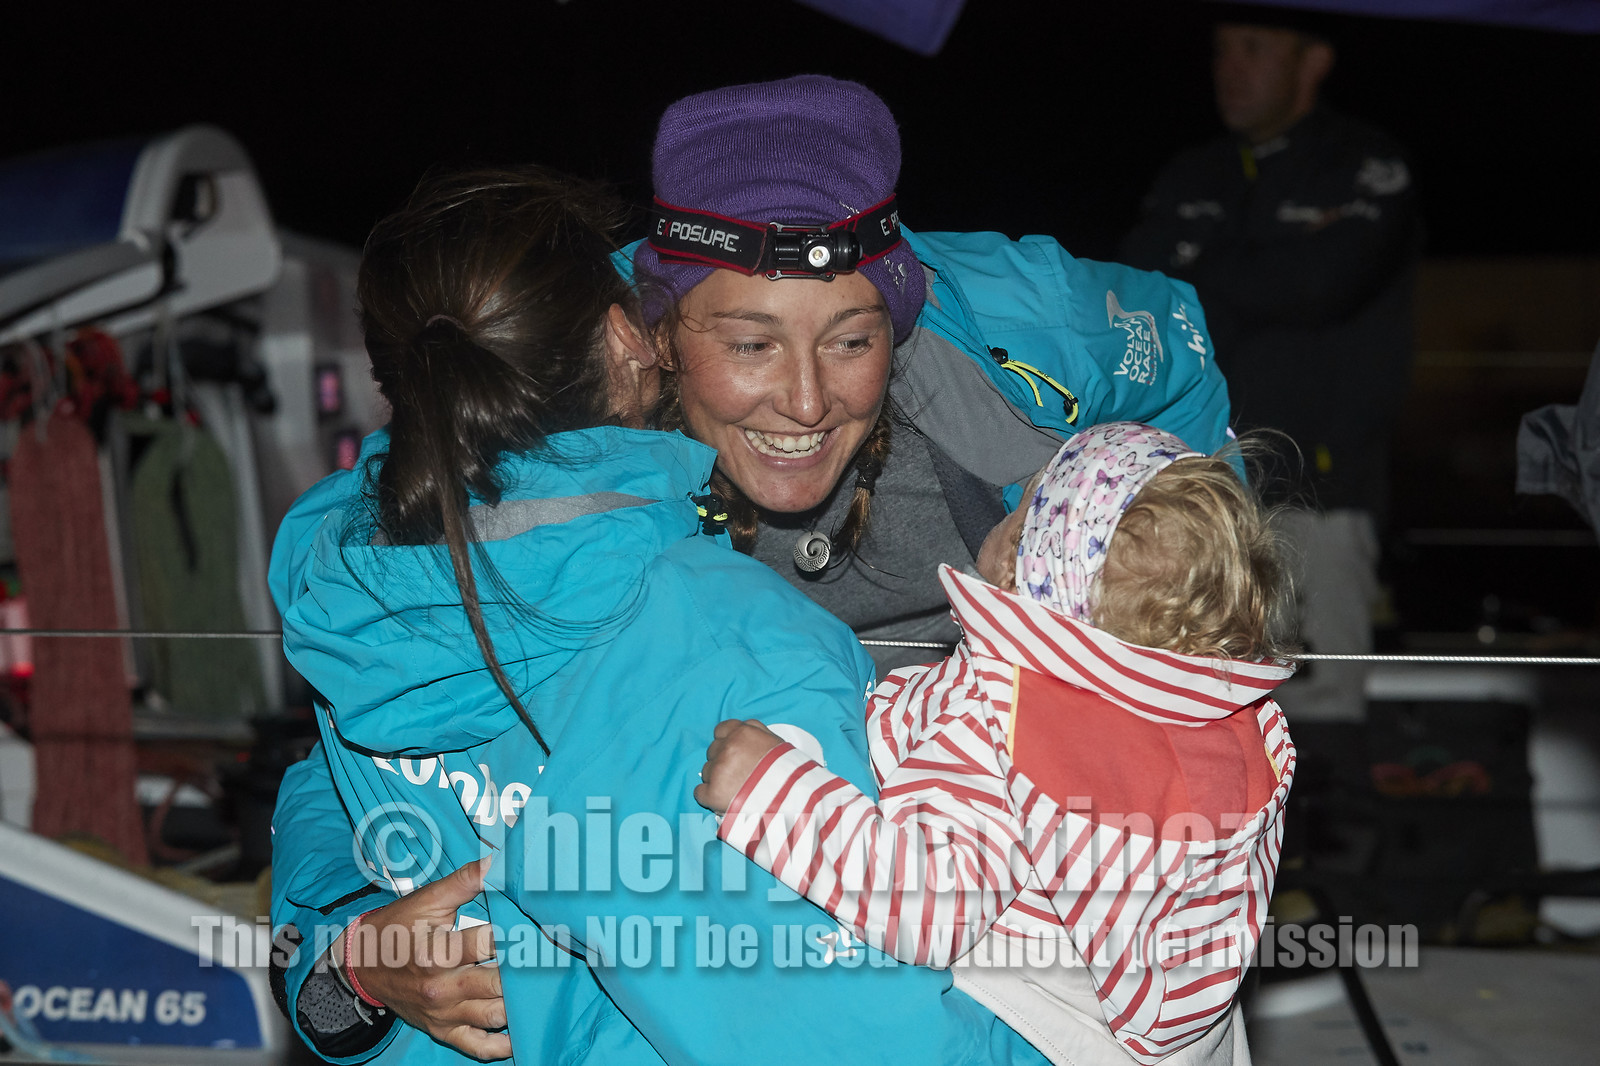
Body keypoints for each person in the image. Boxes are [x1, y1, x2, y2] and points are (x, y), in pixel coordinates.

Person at [272, 75, 1238, 1059]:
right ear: (644, 338)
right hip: (820, 845)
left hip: (1002, 819)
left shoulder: (1021, 334)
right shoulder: (545, 368)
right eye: (748, 345)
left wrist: (1157, 638)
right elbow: (384, 664)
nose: (808, 400)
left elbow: (1187, 373)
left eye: (852, 340)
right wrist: (337, 959)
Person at [696, 422, 1298, 1065]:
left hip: (1045, 1032)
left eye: (1025, 509)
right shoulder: (1230, 726)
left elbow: (928, 905)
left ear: (1020, 563)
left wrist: (773, 793)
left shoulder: (1002, 722)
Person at [1119, 13, 1421, 722]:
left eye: (1253, 48)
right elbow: (1138, 291)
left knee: (1324, 700)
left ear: (1313, 61)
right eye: (1221, 48)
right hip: (1198, 488)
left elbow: (1321, 286)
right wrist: (1264, 264)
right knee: (1199, 694)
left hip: (1324, 488)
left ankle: (1338, 832)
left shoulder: (1365, 163)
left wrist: (1204, 266)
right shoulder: (1193, 170)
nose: (1230, 67)